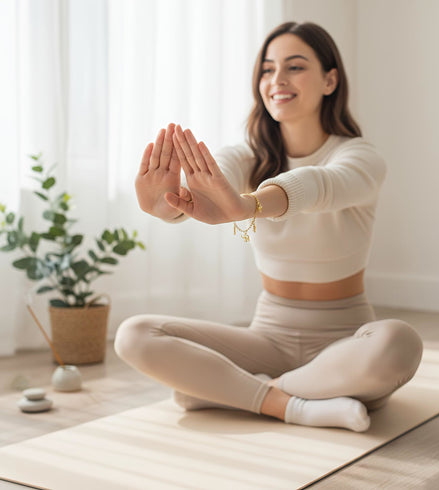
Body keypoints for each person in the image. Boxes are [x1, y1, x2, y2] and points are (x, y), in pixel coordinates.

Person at [114, 21, 423, 432]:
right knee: (134, 334)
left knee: (398, 343)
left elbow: (318, 184)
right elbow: (206, 189)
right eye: (266, 69)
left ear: (330, 80)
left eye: (295, 67)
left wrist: (249, 205)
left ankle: (235, 393)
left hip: (345, 341)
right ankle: (294, 405)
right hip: (267, 337)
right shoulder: (246, 155)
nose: (277, 80)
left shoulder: (360, 157)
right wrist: (167, 206)